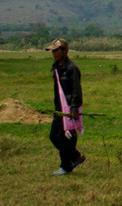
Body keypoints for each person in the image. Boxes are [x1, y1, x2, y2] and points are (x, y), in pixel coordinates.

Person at [46, 38, 86, 176]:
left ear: (65, 51)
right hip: (59, 108)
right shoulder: (56, 67)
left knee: (65, 139)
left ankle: (66, 166)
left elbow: (76, 89)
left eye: (57, 50)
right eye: (53, 51)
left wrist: (74, 107)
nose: (54, 53)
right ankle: (75, 157)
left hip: (69, 109)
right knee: (54, 136)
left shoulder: (71, 68)